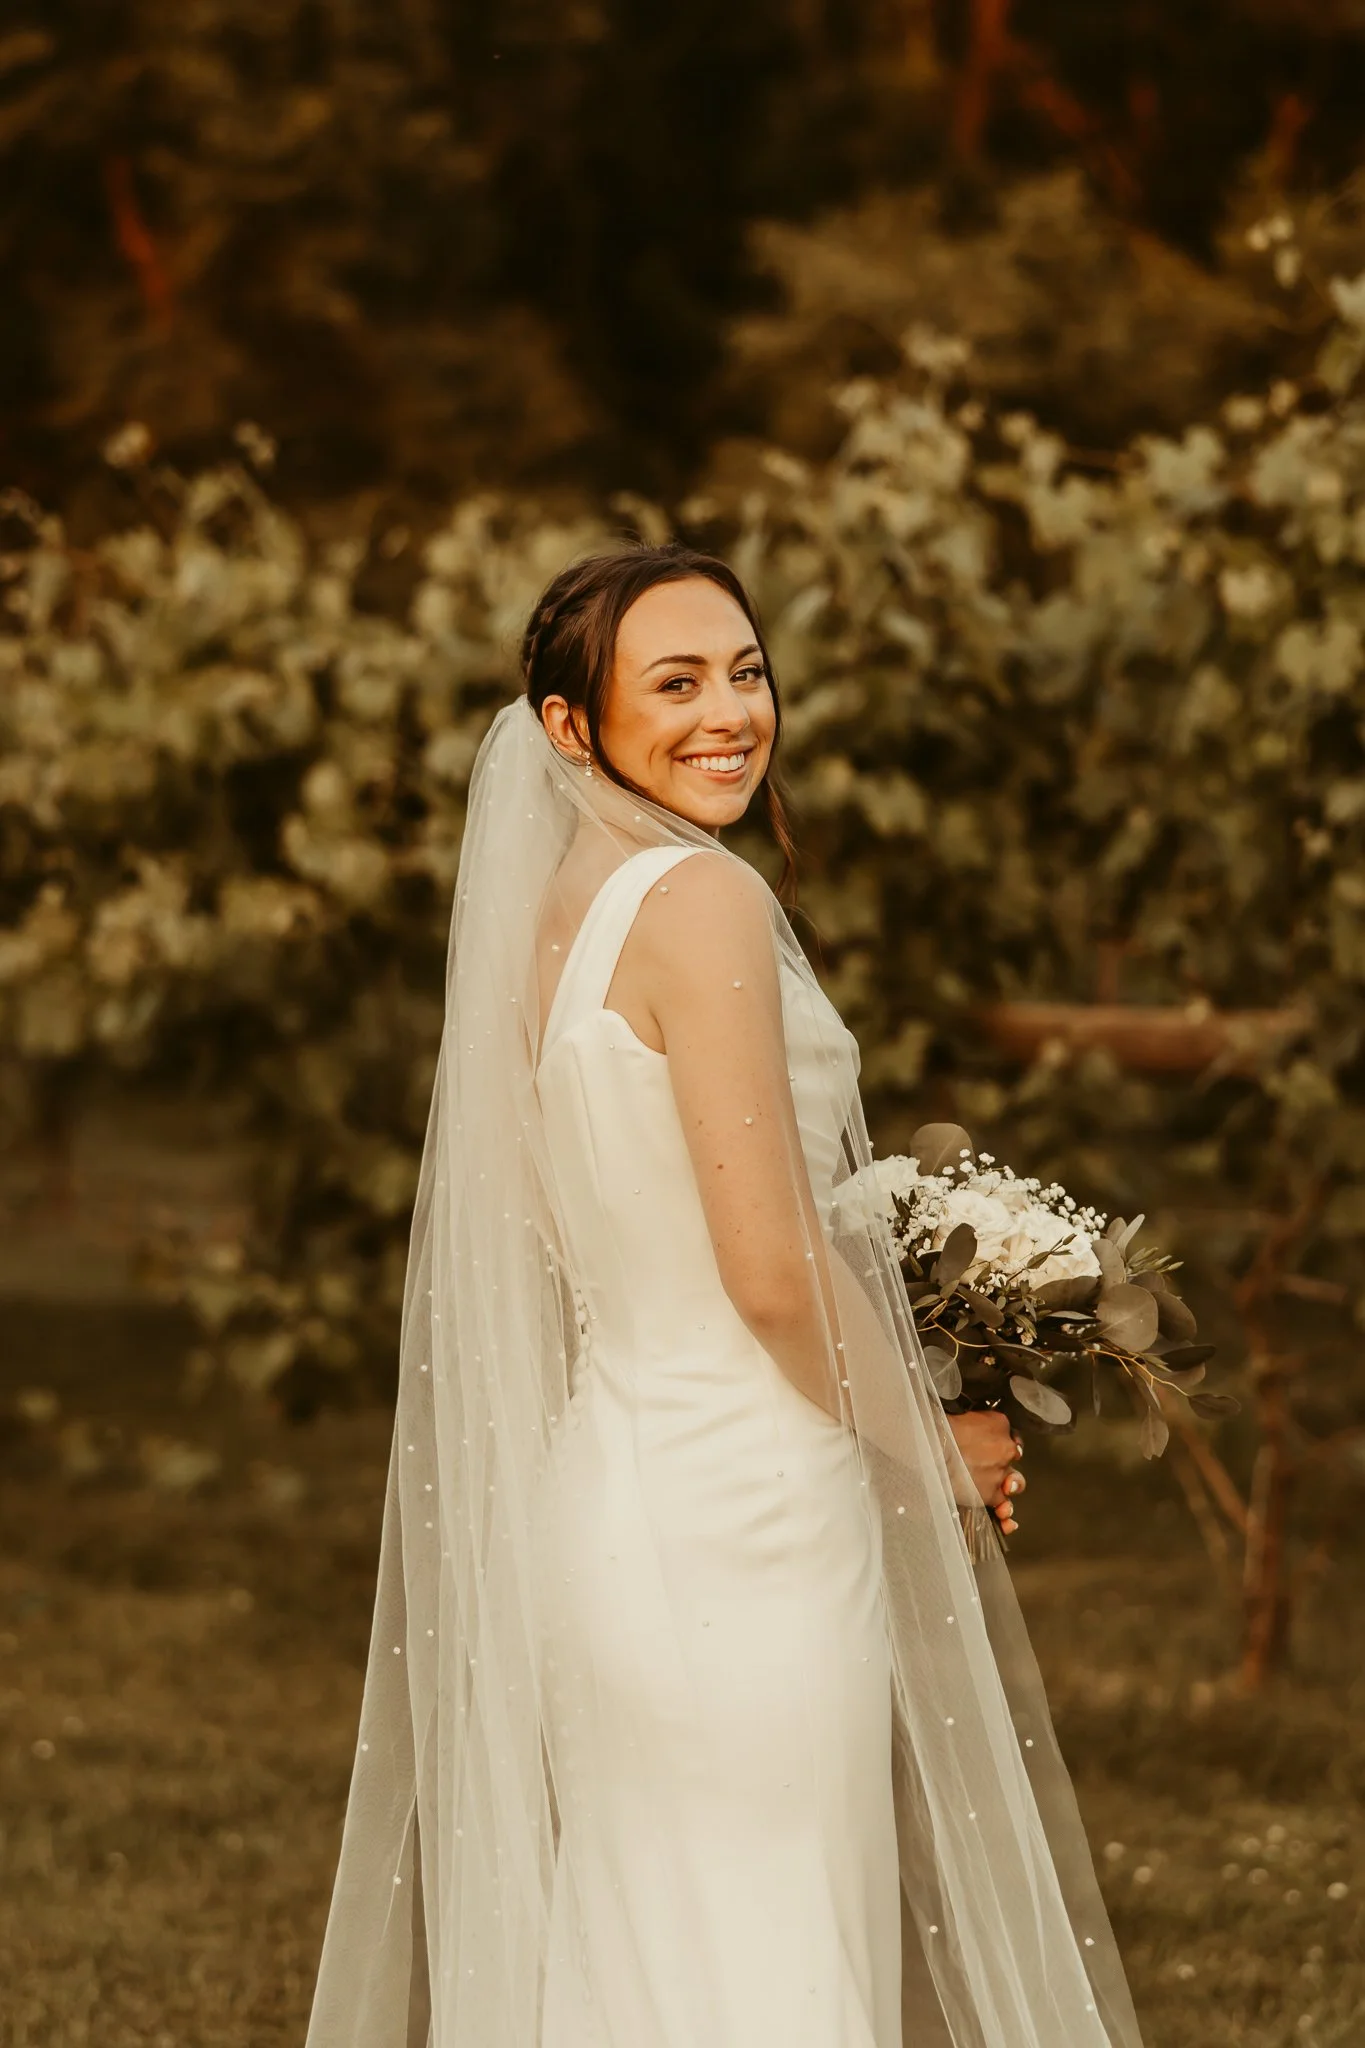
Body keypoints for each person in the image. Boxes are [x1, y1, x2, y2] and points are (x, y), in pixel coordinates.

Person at [304, 545, 1144, 2048]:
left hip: (612, 1495)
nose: (729, 713)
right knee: (767, 1962)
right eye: (674, 682)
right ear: (572, 729)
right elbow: (765, 1274)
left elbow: (582, 1238)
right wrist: (932, 1434)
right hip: (740, 1514)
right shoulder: (701, 901)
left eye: (745, 672)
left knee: (644, 1950)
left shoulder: (558, 913)